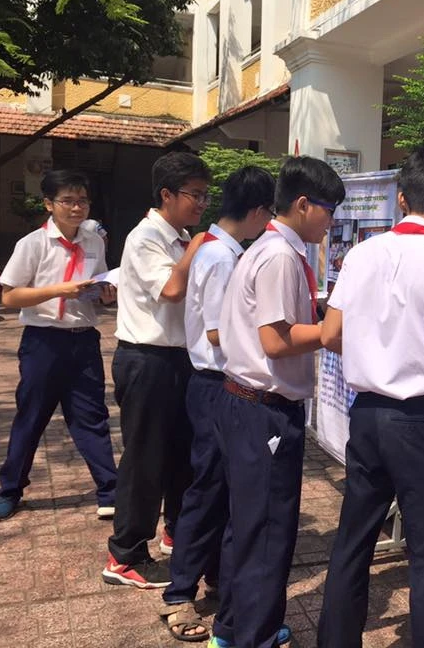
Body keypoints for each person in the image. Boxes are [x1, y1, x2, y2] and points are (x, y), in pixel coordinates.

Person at [315, 147, 424, 648]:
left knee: (353, 542)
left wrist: (377, 348)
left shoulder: (361, 254)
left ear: (402, 198)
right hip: (420, 423)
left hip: (368, 415)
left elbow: (330, 334)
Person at [211, 156, 344, 648]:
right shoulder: (281, 256)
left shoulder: (270, 248)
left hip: (247, 404)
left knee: (247, 526)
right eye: (328, 210)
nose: (331, 222)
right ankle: (256, 636)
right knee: (267, 531)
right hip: (263, 409)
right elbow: (276, 339)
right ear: (303, 204)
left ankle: (233, 628)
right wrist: (334, 331)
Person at [158, 167, 276, 642]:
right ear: (257, 212)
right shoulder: (223, 258)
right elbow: (216, 333)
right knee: (208, 490)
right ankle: (179, 593)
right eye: (269, 214)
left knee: (220, 490)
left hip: (215, 384)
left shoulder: (219, 251)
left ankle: (216, 581)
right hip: (214, 385)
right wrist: (274, 336)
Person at [102, 152, 210, 589]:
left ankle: (177, 531)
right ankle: (124, 554)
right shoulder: (146, 237)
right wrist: (198, 247)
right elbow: (171, 289)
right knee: (145, 458)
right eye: (194, 195)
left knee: (183, 454)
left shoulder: (180, 237)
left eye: (205, 195)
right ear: (166, 194)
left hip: (180, 359)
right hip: (146, 359)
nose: (201, 203)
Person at [0, 170, 118, 522]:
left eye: (83, 201)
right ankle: (10, 490)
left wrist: (105, 295)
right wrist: (60, 290)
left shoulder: (94, 242)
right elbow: (10, 296)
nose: (77, 208)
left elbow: (97, 287)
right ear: (49, 204)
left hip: (84, 340)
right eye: (68, 201)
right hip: (43, 342)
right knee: (31, 417)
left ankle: (110, 491)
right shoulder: (33, 244)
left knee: (92, 417)